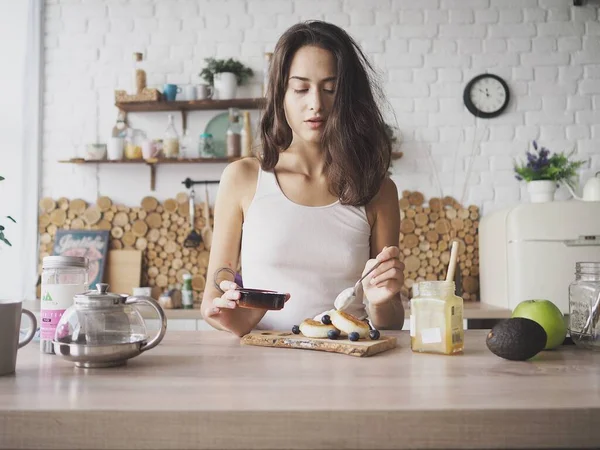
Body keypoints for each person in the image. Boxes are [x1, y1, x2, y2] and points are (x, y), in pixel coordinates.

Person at [201, 20, 405, 337]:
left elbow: (391, 321)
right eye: (300, 89)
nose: (316, 104)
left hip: (350, 370)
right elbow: (213, 301)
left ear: (349, 96)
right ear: (281, 94)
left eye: (330, 89)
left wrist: (381, 301)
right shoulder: (243, 178)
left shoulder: (378, 190)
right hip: (265, 367)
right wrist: (228, 315)